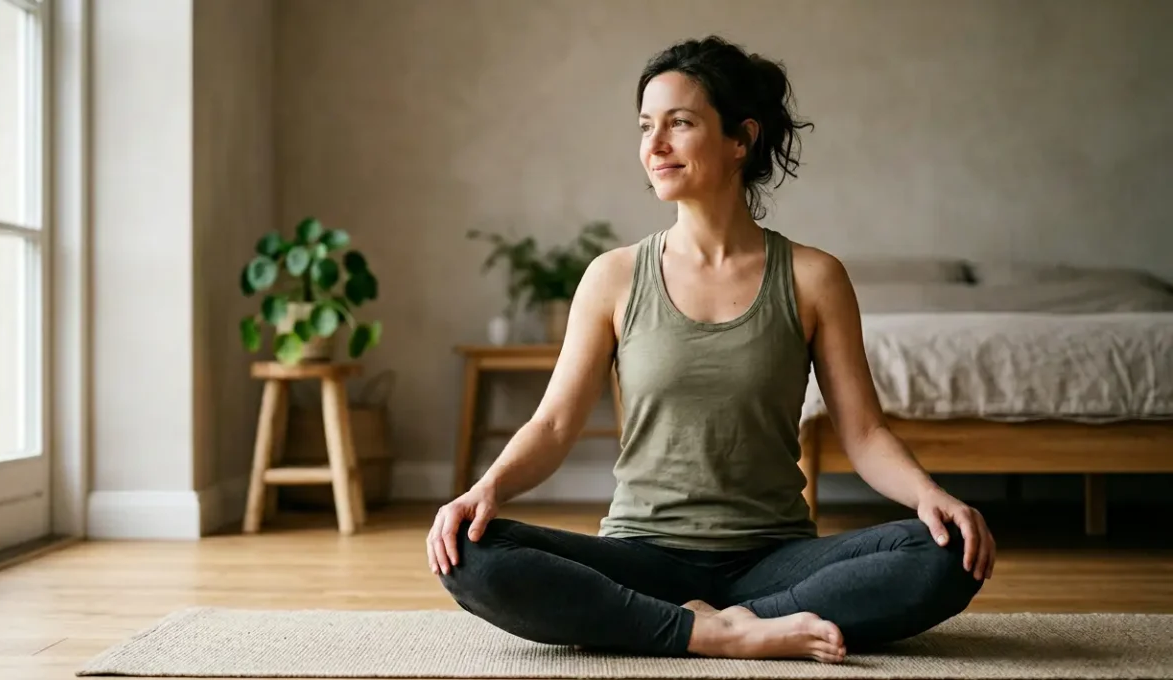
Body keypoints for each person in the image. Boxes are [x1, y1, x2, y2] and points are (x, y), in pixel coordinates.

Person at [426, 35, 994, 664]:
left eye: (680, 123)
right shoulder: (613, 277)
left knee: (948, 551)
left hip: (774, 559)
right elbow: (554, 425)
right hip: (641, 555)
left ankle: (693, 625)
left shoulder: (814, 278)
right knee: (469, 551)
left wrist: (930, 495)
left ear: (740, 139)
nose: (655, 145)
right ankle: (724, 633)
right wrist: (485, 489)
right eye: (646, 126)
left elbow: (863, 433)